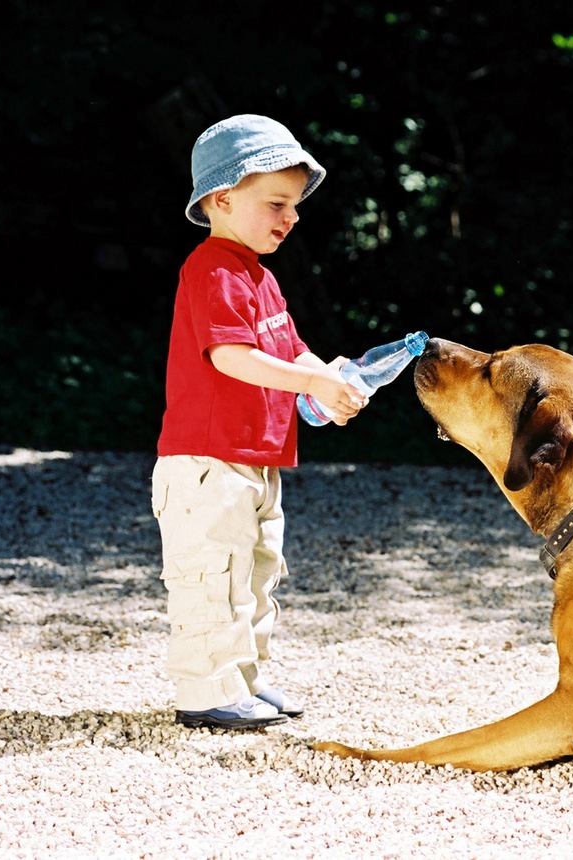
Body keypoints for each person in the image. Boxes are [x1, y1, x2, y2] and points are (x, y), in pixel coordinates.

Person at [152, 114, 367, 729]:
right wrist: (310, 380)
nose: (290, 217)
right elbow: (231, 357)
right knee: (210, 578)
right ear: (222, 198)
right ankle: (205, 691)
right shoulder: (212, 269)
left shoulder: (260, 277)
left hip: (254, 459)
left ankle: (244, 677)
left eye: (294, 206)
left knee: (255, 575)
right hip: (207, 462)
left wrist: (330, 377)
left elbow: (290, 351)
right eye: (276, 202)